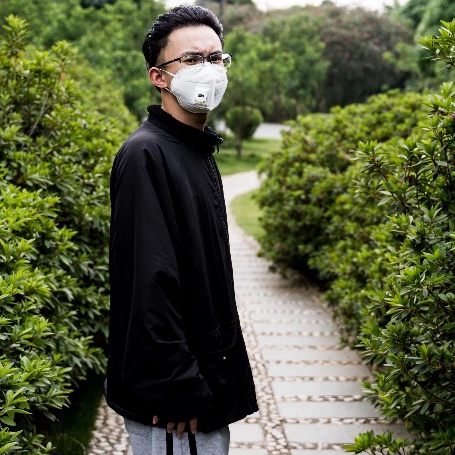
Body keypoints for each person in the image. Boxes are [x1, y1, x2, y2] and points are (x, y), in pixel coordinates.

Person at [104, 5, 258, 455]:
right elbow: (148, 281)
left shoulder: (194, 150)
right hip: (177, 402)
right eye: (191, 59)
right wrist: (177, 386)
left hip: (205, 381)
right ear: (159, 77)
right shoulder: (146, 154)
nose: (208, 68)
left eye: (216, 58)